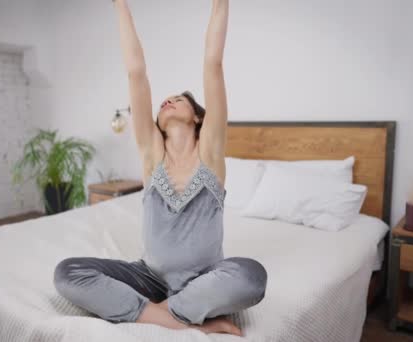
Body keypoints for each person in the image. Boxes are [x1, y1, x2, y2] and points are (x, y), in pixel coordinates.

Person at [53, 0, 267, 336]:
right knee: (68, 272)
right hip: (148, 277)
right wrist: (120, 4)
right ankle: (182, 319)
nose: (167, 100)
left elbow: (213, 63)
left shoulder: (210, 151)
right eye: (164, 100)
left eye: (178, 99)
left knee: (252, 277)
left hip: (204, 279)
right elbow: (136, 72)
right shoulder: (152, 154)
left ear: (198, 116)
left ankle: (154, 312)